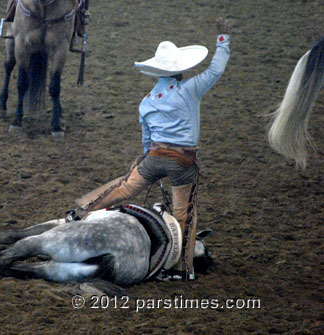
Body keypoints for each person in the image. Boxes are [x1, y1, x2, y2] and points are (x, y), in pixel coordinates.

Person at [69, 17, 231, 281]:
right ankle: (182, 269)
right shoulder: (189, 90)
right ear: (180, 71)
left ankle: (80, 212)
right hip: (182, 162)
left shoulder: (146, 102)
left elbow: (147, 137)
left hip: (154, 157)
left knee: (124, 187)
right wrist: (223, 40)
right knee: (184, 213)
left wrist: (145, 157)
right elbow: (215, 70)